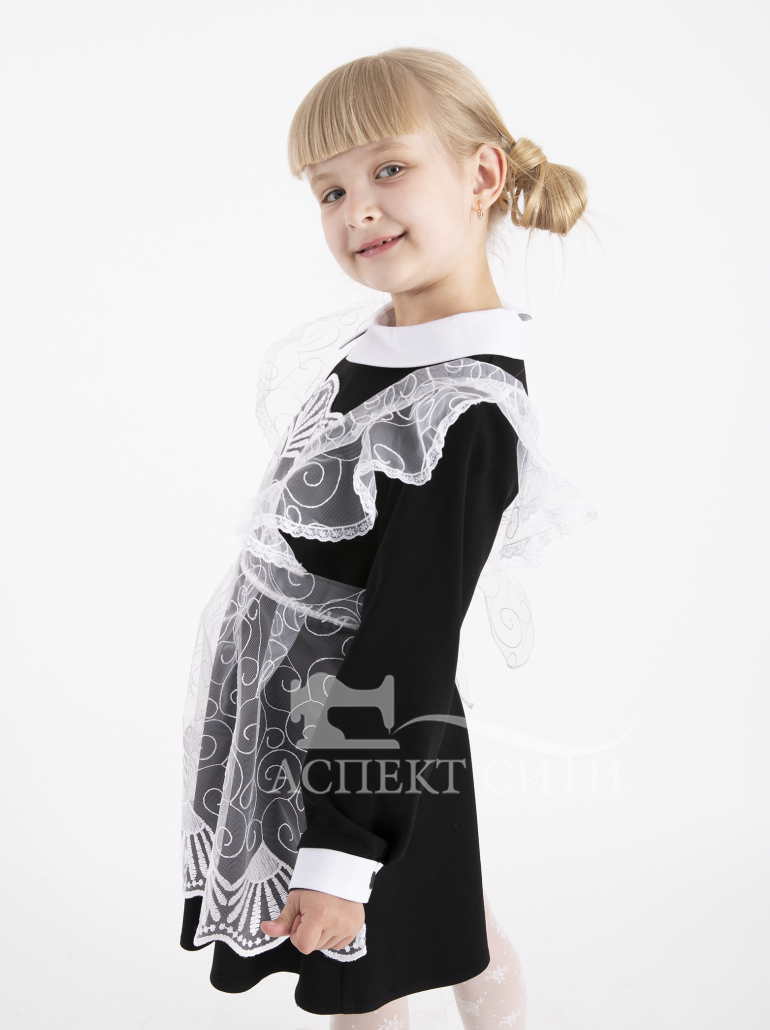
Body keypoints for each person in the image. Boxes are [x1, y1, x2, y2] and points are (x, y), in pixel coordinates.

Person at [180, 47, 596, 1029]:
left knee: (366, 961)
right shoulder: (383, 348)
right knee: (429, 924)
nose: (355, 209)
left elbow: (408, 635)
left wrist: (342, 846)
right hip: (308, 723)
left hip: (367, 737)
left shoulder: (465, 412)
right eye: (329, 191)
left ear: (481, 174)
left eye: (389, 169)